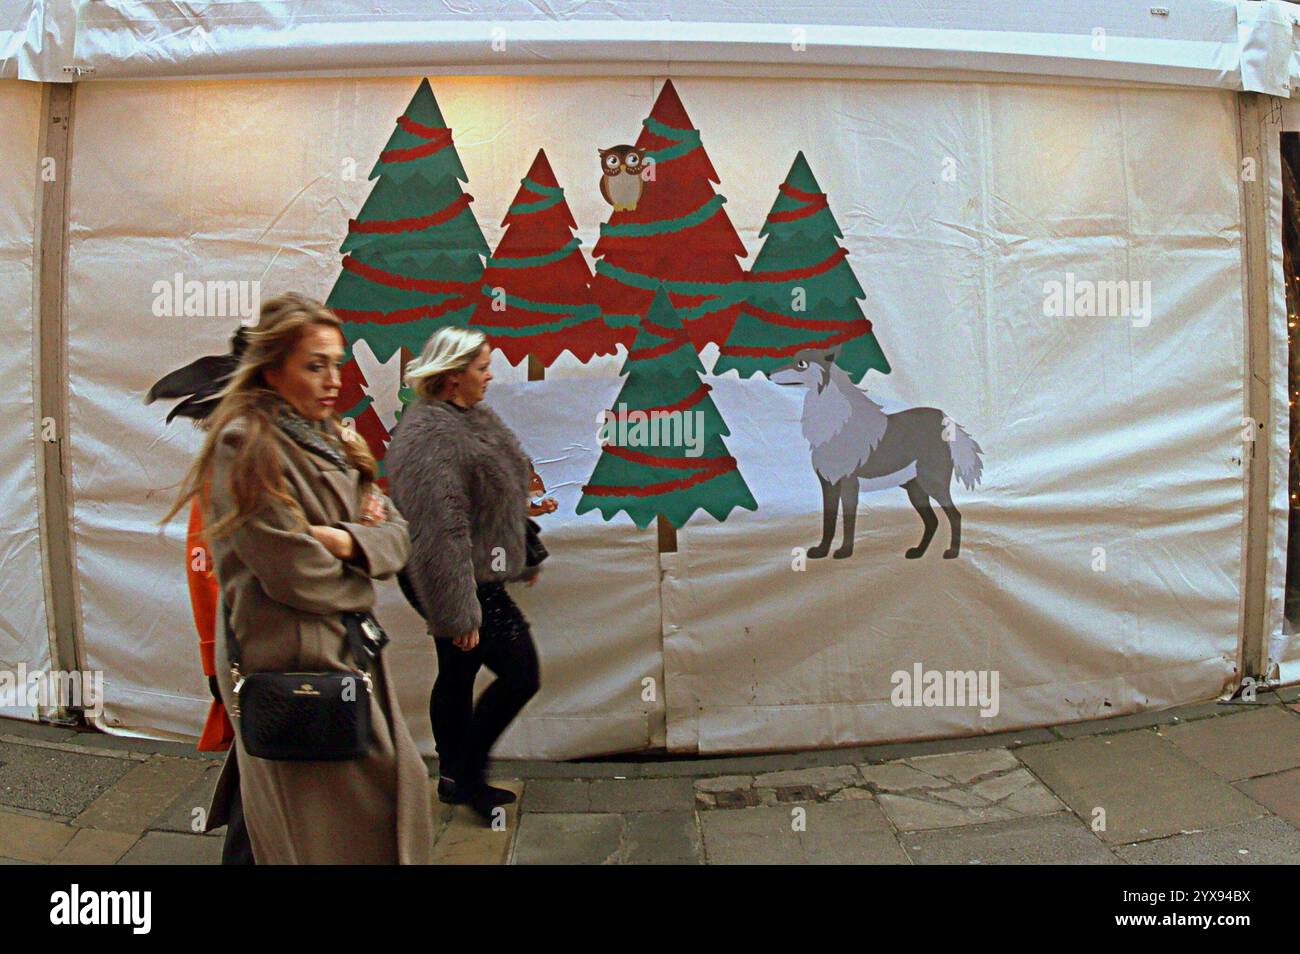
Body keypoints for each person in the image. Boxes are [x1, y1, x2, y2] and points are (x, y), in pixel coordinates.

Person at [163, 292, 432, 864]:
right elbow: (300, 576)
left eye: (337, 362)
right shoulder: (245, 447)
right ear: (272, 367)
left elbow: (399, 534)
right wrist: (362, 561)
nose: (334, 379)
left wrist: (345, 540)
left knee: (304, 818)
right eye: (316, 365)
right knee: (326, 823)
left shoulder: (335, 437)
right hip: (296, 665)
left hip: (339, 654)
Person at [385, 327, 544, 822]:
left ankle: (455, 778)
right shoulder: (431, 436)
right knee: (521, 674)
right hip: (446, 573)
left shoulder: (468, 418)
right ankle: (470, 775)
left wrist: (526, 549)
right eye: (481, 368)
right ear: (454, 377)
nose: (490, 375)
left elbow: (494, 495)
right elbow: (439, 531)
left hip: (468, 566)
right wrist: (458, 612)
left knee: (458, 671)